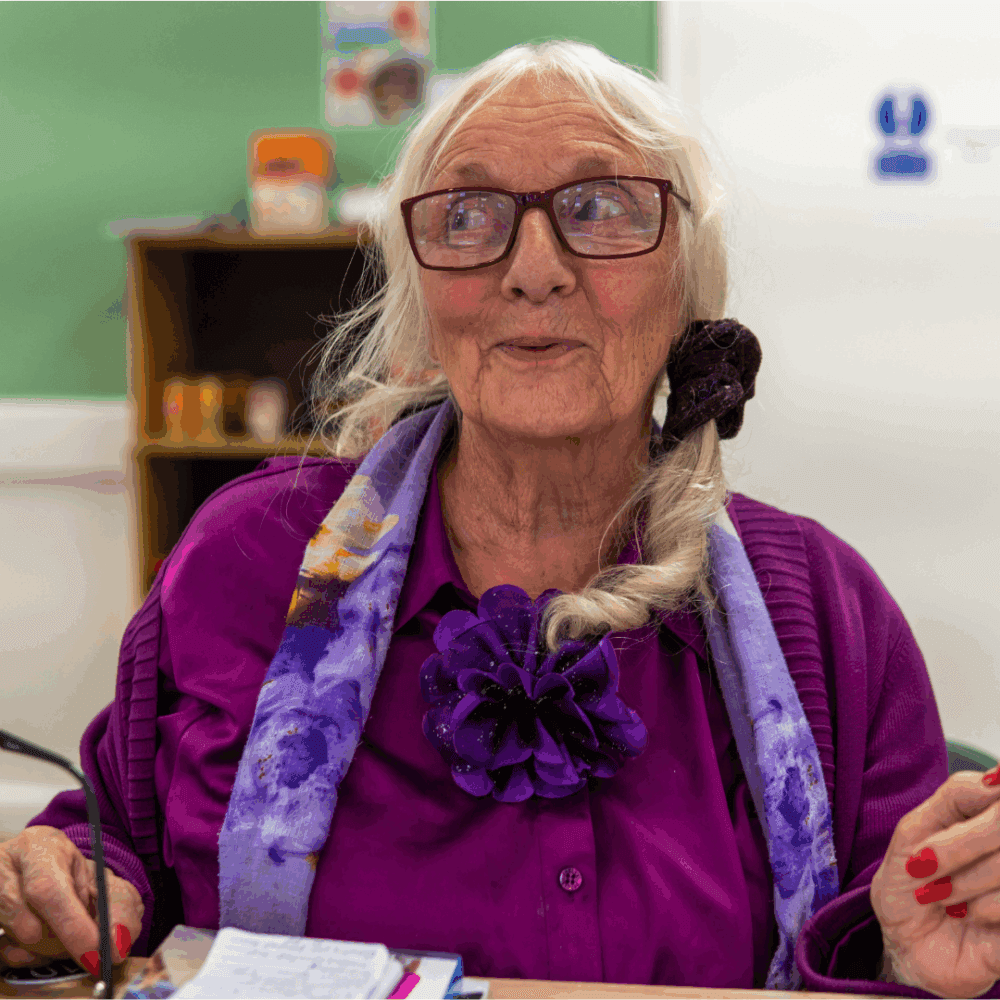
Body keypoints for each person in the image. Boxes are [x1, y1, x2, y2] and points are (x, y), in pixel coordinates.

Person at [2, 40, 999, 999]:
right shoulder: (252, 561)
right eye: (469, 214)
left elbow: (897, 945)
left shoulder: (823, 611)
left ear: (688, 281)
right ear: (422, 288)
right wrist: (55, 884)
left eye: (602, 207)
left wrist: (912, 961)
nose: (531, 268)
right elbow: (112, 842)